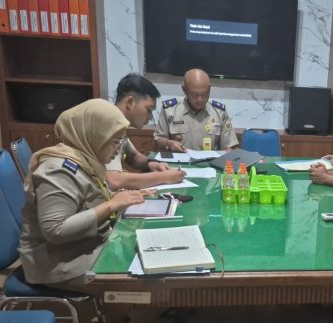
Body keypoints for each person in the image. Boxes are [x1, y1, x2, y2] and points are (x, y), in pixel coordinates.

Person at [19, 99, 147, 294]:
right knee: (140, 280)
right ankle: (129, 313)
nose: (118, 149)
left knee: (143, 250)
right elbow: (55, 230)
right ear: (94, 135)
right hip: (60, 261)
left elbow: (89, 198)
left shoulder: (86, 158)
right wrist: (111, 205)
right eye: (115, 141)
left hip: (85, 244)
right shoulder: (58, 171)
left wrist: (122, 198)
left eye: (121, 141)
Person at [106, 73, 186, 190]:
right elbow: (114, 180)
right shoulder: (108, 124)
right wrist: (163, 177)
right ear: (130, 103)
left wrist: (151, 164)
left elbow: (133, 157)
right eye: (149, 110)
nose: (150, 117)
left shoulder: (120, 126)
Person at [154, 68, 238, 152]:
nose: (200, 100)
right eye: (194, 95)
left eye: (204, 94)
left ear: (209, 89)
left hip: (211, 160)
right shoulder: (170, 110)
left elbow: (229, 147)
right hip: (179, 159)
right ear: (184, 90)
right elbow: (158, 139)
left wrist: (227, 154)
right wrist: (169, 143)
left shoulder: (220, 112)